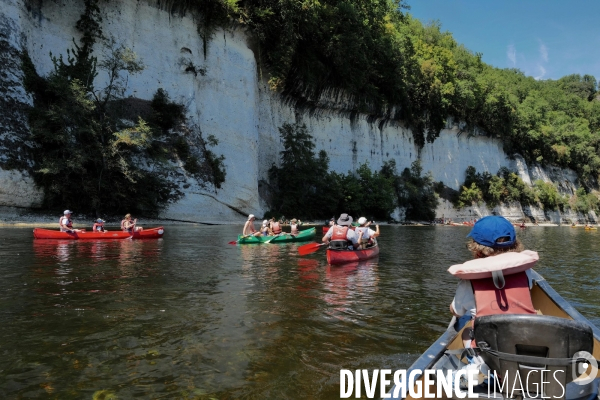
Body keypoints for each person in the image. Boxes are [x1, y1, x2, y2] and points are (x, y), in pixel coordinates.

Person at [449, 216, 535, 348]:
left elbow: (456, 312)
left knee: (466, 332)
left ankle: (474, 359)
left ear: (477, 250)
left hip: (490, 352)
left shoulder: (468, 282)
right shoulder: (526, 272)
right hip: (523, 342)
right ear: (515, 244)